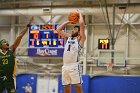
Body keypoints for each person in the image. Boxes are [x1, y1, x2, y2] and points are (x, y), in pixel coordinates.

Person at [0, 17, 34, 93]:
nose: (7, 43)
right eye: (5, 42)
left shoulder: (11, 49)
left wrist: (27, 26)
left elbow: (20, 36)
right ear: (1, 46)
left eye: (7, 42)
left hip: (10, 78)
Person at [56, 10, 86, 93]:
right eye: (73, 29)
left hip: (74, 66)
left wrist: (79, 14)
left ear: (79, 33)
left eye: (75, 29)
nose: (72, 30)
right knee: (66, 89)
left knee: (78, 88)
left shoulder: (81, 40)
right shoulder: (69, 37)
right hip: (65, 66)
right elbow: (58, 30)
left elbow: (82, 25)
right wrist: (68, 21)